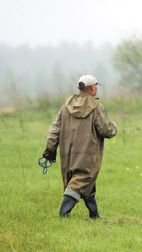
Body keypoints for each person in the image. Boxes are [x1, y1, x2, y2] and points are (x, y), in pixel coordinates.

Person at [42, 74, 117, 218]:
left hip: (68, 154)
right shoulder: (97, 107)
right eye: (96, 86)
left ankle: (94, 215)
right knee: (82, 179)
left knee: (82, 180)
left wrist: (49, 150)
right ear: (92, 88)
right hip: (87, 154)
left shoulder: (66, 106)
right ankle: (63, 214)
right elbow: (105, 130)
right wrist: (113, 127)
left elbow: (54, 129)